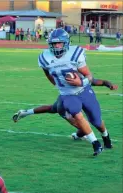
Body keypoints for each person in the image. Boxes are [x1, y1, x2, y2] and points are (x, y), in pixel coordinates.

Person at [24, 28, 111, 156]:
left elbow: (89, 76)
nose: (57, 46)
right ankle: (95, 144)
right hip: (67, 94)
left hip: (83, 90)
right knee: (76, 113)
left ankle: (105, 136)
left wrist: (80, 82)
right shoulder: (45, 58)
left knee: (96, 121)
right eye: (54, 43)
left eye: (59, 43)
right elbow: (47, 74)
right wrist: (58, 85)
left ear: (66, 43)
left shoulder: (75, 53)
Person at [12, 78, 118, 142]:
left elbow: (101, 81)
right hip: (64, 106)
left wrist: (110, 85)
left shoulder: (83, 81)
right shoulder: (74, 83)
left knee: (51, 108)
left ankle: (25, 112)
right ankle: (77, 136)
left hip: (65, 101)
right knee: (82, 126)